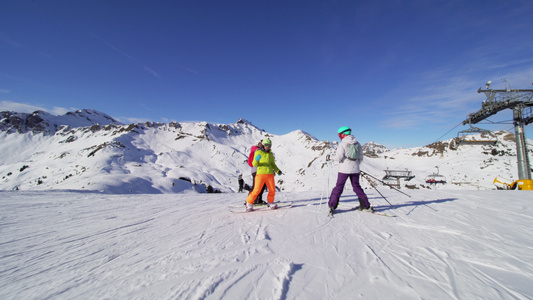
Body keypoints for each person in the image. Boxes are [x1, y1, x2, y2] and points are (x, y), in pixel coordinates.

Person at [328, 126, 373, 215]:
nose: (339, 136)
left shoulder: (342, 144)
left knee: (339, 187)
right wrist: (355, 166)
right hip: (355, 169)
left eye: (339, 135)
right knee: (357, 187)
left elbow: (339, 158)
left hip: (344, 169)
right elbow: (360, 157)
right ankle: (366, 205)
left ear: (343, 134)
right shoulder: (357, 143)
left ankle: (332, 206)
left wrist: (330, 157)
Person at [245, 138, 282, 211]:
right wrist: (256, 159)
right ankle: (249, 203)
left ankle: (270, 203)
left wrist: (277, 171)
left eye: (269, 145)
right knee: (256, 190)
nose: (268, 147)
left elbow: (272, 164)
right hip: (260, 174)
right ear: (263, 145)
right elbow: (254, 164)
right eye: (266, 145)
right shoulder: (258, 152)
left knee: (272, 190)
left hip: (270, 174)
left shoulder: (270, 154)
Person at [247, 140, 267, 204]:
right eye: (260, 144)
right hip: (257, 170)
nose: (262, 145)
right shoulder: (258, 151)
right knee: (257, 186)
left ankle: (257, 200)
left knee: (260, 186)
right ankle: (251, 201)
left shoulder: (257, 150)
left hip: (258, 170)